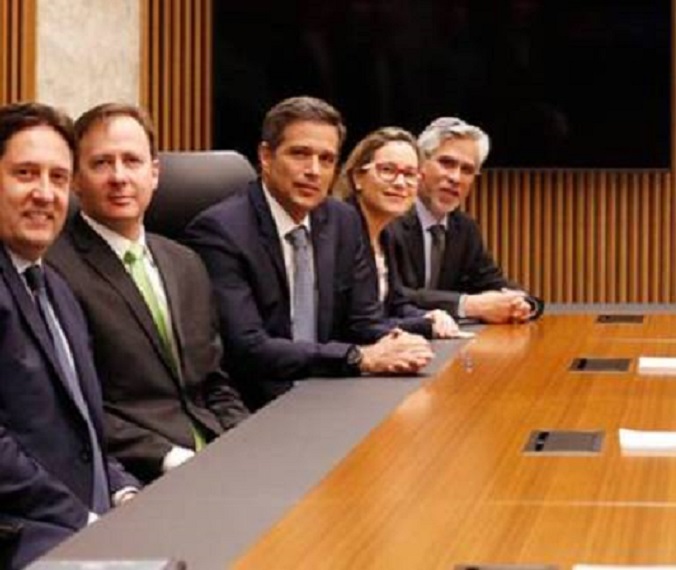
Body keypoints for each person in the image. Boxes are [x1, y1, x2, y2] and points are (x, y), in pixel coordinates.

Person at [184, 96, 433, 411]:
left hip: (333, 390)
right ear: (266, 156)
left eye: (326, 159)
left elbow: (363, 322)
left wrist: (403, 340)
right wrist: (358, 357)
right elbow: (248, 348)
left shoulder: (343, 220)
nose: (314, 171)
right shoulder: (221, 231)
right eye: (300, 154)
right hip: (259, 403)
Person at [47, 103, 249, 483]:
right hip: (140, 471)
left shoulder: (186, 261)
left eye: (132, 161)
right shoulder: (54, 268)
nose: (119, 177)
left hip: (217, 455)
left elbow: (213, 381)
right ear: (75, 178)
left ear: (154, 173)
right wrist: (168, 457)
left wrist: (246, 437)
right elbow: (76, 405)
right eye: (102, 163)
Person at [0, 102, 140, 570]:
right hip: (26, 533)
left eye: (58, 178)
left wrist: (120, 488)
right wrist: (83, 517)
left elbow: (81, 428)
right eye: (25, 173)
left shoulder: (57, 288)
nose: (45, 194)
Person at [389, 117, 543, 323]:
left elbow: (491, 282)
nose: (455, 178)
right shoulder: (391, 220)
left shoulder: (464, 228)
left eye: (467, 170)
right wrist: (466, 305)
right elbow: (390, 294)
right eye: (447, 163)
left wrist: (523, 303)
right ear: (420, 165)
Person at [333, 127, 458, 338]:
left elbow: (397, 305)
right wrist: (425, 326)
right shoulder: (342, 230)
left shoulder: (388, 234)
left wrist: (431, 315)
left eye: (409, 174)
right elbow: (362, 326)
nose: (400, 183)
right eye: (387, 170)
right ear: (358, 178)